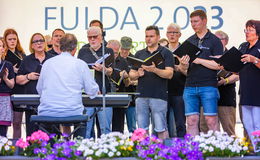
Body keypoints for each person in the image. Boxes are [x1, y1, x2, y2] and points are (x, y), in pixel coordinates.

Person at [36, 33, 99, 136]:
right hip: (72, 111)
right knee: (81, 119)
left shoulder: (48, 63)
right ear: (75, 48)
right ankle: (78, 147)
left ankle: (49, 149)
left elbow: (39, 89)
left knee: (48, 124)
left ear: (60, 47)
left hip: (48, 111)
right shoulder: (80, 64)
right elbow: (91, 91)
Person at [129, 25, 174, 139]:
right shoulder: (139, 54)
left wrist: (155, 70)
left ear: (158, 37)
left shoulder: (166, 53)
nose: (148, 39)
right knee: (142, 130)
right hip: (141, 96)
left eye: (151, 36)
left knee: (161, 128)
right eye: (146, 36)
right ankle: (144, 154)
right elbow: (131, 75)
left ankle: (164, 154)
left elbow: (169, 74)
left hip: (158, 96)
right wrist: (138, 74)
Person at [183, 10, 223, 136]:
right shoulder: (189, 41)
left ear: (204, 21)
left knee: (211, 120)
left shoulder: (215, 41)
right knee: (191, 120)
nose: (193, 24)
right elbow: (184, 69)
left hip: (208, 86)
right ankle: (192, 151)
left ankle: (217, 151)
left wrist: (198, 60)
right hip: (189, 86)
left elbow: (218, 65)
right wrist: (183, 65)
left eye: (196, 21)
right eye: (191, 22)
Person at [78, 26, 114, 138]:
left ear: (101, 36)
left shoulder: (108, 50)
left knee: (105, 128)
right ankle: (85, 153)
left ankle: (106, 152)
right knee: (86, 127)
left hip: (104, 93)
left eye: (95, 37)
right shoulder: (83, 51)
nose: (92, 39)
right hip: (87, 95)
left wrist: (104, 69)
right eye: (90, 37)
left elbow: (112, 72)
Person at [16, 33, 53, 136]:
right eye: (36, 41)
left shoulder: (52, 59)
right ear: (32, 45)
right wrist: (28, 77)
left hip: (50, 103)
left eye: (41, 40)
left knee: (50, 134)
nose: (39, 43)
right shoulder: (26, 60)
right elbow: (18, 80)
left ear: (45, 43)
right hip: (32, 103)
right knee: (32, 135)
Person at [239, 20, 260, 152]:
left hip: (257, 90)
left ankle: (259, 148)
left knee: (258, 122)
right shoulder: (243, 47)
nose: (247, 33)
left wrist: (254, 60)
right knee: (247, 122)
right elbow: (237, 67)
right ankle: (256, 148)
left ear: (258, 32)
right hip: (245, 90)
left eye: (250, 30)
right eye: (246, 30)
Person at [166, 23, 188, 137]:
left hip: (180, 91)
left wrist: (180, 68)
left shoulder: (185, 51)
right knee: (163, 123)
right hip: (164, 91)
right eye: (169, 32)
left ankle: (182, 148)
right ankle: (163, 149)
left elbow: (190, 73)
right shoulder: (162, 51)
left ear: (180, 34)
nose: (172, 35)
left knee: (180, 123)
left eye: (174, 32)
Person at [3, 28, 26, 139]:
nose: (12, 41)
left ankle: (18, 148)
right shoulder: (4, 55)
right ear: (5, 41)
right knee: (5, 121)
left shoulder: (21, 53)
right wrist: (11, 70)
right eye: (9, 39)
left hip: (21, 89)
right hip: (7, 90)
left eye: (14, 39)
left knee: (17, 122)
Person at [215, 31, 239, 136]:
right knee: (207, 129)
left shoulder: (233, 55)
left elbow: (239, 75)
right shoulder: (207, 55)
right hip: (209, 96)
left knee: (228, 129)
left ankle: (232, 152)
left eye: (218, 39)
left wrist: (226, 81)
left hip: (226, 97)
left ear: (226, 41)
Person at [107, 39, 129, 133]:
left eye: (115, 53)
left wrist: (125, 77)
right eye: (111, 52)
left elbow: (127, 83)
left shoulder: (123, 61)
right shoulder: (101, 61)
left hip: (119, 98)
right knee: (104, 127)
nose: (113, 56)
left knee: (119, 128)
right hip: (105, 98)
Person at [119, 36, 137, 133]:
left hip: (131, 96)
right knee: (118, 127)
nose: (125, 51)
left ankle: (134, 146)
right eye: (123, 49)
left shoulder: (135, 59)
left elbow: (140, 78)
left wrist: (131, 80)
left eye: (127, 49)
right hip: (117, 97)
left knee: (132, 127)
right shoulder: (115, 59)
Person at [0, 38, 15, 137]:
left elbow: (12, 85)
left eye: (1, 46)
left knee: (2, 131)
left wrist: (5, 78)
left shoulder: (8, 65)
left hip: (4, 98)